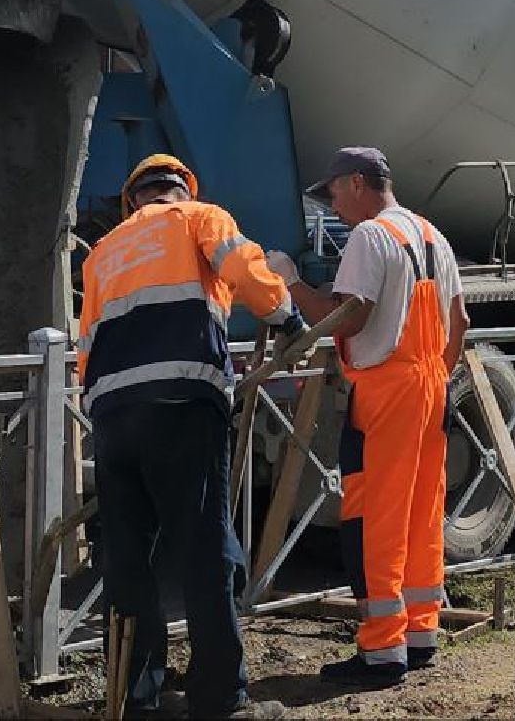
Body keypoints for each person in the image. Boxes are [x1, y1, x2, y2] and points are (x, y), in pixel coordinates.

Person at [77, 153, 305, 720]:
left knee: (129, 560)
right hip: (181, 404)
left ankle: (135, 696)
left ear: (134, 200)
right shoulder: (201, 218)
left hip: (112, 413)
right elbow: (248, 275)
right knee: (205, 553)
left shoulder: (104, 252)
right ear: (180, 189)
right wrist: (287, 317)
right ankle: (221, 700)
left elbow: (86, 346)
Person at [267, 147, 469, 689]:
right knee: (422, 510)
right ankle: (420, 632)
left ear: (358, 182)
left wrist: (290, 284)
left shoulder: (370, 236)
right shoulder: (432, 235)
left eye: (333, 193)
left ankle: (383, 650)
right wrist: (438, 378)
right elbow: (461, 320)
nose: (332, 208)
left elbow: (350, 315)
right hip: (429, 385)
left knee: (375, 516)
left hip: (387, 388)